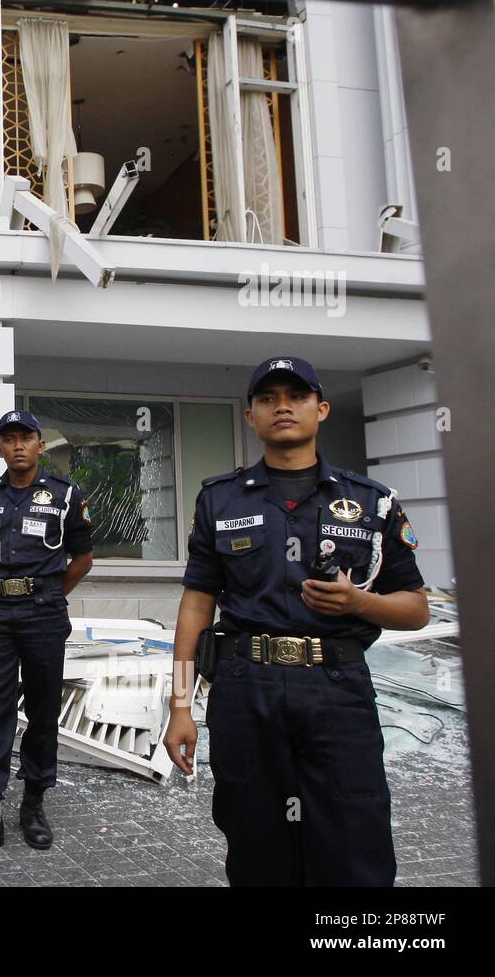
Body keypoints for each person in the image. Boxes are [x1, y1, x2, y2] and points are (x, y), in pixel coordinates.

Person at [163, 356, 430, 886]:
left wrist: (359, 603)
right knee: (256, 841)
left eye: (296, 396)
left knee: (355, 841)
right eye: (267, 398)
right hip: (246, 690)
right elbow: (197, 602)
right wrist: (179, 706)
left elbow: (417, 608)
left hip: (337, 689)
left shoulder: (370, 503)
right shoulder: (220, 499)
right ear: (250, 417)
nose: (282, 406)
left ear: (321, 409)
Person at [0, 410, 93, 849]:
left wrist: (47, 593)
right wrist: (8, 589)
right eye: (9, 438)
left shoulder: (64, 495)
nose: (18, 445)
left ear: (41, 445)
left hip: (43, 613)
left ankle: (34, 802)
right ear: (0, 447)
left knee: (43, 710)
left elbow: (82, 558)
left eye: (26, 437)